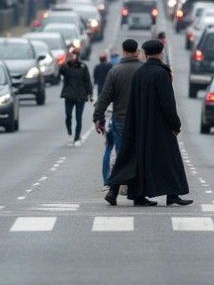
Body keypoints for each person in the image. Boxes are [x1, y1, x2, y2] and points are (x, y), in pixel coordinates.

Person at [106, 39, 192, 207]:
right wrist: (175, 124)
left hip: (139, 123)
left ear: (145, 54)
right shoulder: (162, 73)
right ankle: (173, 194)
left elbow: (133, 100)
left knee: (137, 159)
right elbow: (168, 102)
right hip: (159, 126)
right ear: (161, 53)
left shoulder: (139, 73)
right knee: (169, 159)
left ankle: (136, 195)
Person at [93, 39, 141, 188]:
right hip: (140, 119)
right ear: (137, 51)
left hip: (120, 119)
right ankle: (134, 184)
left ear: (123, 51)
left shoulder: (115, 71)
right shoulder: (143, 70)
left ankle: (119, 184)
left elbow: (104, 97)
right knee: (138, 151)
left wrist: (98, 117)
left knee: (121, 152)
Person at [59, 48, 93, 146]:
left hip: (80, 95)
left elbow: (87, 81)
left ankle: (77, 137)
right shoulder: (67, 66)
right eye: (72, 54)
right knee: (68, 116)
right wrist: (65, 61)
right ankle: (69, 134)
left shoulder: (83, 66)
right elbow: (60, 71)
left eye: (75, 54)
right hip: (69, 95)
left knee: (78, 118)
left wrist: (90, 94)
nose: (74, 56)